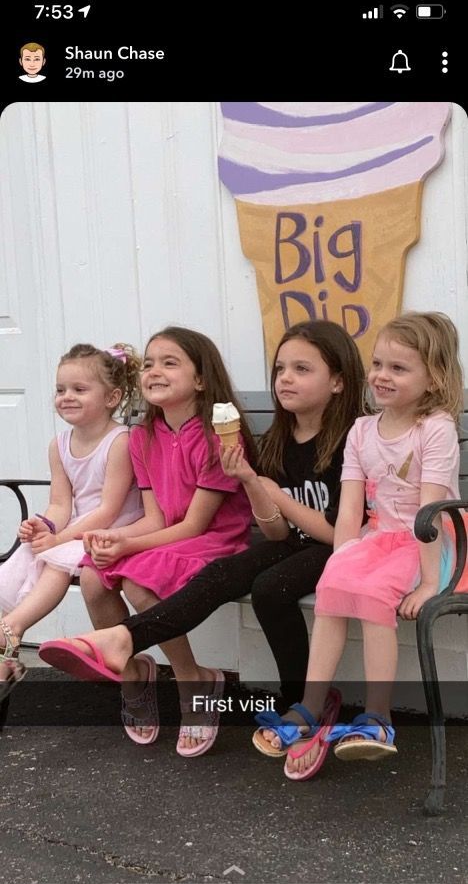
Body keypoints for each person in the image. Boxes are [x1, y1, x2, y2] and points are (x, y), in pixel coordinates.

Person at [39, 320, 365, 755]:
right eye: (281, 369)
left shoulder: (353, 439)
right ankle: (128, 654)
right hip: (290, 542)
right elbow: (276, 531)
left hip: (335, 547)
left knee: (269, 589)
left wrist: (265, 492)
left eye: (301, 369)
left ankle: (298, 701)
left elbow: (339, 536)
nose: (285, 378)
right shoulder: (275, 442)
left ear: (339, 381)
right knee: (204, 574)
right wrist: (253, 483)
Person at [40, 326, 255, 752]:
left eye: (170, 362)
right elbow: (155, 518)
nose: (155, 370)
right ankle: (134, 674)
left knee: (140, 579)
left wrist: (129, 545)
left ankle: (193, 680)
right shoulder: (143, 437)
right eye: (151, 363)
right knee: (92, 574)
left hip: (216, 539)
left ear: (200, 379)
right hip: (170, 536)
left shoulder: (216, 435)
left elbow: (194, 526)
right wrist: (113, 537)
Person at [273, 311, 463, 782]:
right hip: (378, 537)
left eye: (398, 368)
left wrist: (426, 583)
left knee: (378, 592)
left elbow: (432, 513)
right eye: (378, 363)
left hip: (429, 543)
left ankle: (379, 717)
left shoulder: (434, 428)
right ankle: (312, 704)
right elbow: (352, 510)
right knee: (334, 582)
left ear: (433, 377)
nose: (381, 375)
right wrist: (341, 561)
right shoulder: (361, 430)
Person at [0, 342, 144, 700]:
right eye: (60, 389)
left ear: (112, 397)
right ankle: (5, 647)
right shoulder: (59, 444)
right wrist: (44, 526)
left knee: (55, 563)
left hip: (114, 529)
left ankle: (12, 630)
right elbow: (61, 503)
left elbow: (108, 509)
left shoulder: (120, 441)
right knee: (30, 555)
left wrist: (59, 538)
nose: (67, 397)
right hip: (77, 530)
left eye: (79, 390)